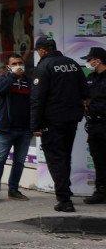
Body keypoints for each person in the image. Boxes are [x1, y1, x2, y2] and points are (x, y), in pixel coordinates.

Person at [30, 35, 87, 213]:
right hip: (71, 120)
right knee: (65, 157)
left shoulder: (44, 66)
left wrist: (34, 125)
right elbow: (85, 91)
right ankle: (66, 191)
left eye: (38, 50)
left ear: (43, 50)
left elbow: (37, 99)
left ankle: (64, 199)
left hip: (52, 121)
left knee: (56, 159)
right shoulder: (72, 64)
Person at [0, 54, 32, 205]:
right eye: (14, 63)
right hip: (6, 128)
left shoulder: (29, 80)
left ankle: (13, 190)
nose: (18, 65)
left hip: (25, 129)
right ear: (8, 66)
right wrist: (13, 75)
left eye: (20, 63)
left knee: (19, 162)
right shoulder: (4, 78)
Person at [82, 46, 106, 204]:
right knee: (98, 159)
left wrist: (93, 104)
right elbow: (85, 98)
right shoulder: (91, 77)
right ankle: (101, 191)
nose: (89, 62)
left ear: (98, 60)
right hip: (94, 124)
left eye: (90, 60)